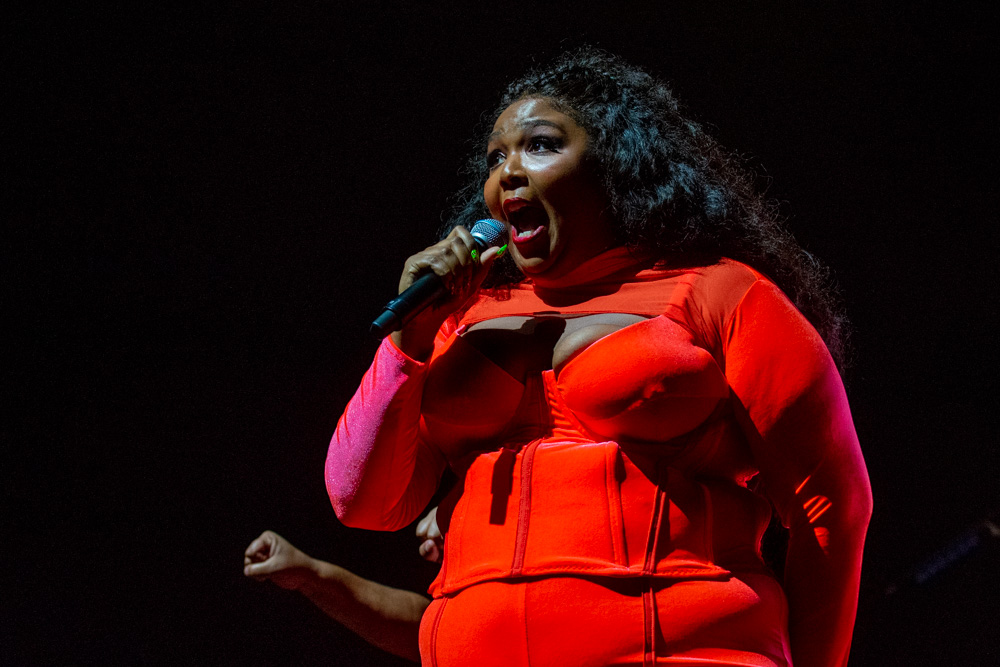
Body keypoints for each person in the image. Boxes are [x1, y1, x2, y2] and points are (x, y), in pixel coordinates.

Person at [325, 48, 872, 667]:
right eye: (495, 158)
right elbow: (363, 502)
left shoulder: (720, 291)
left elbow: (833, 507)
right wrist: (408, 341)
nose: (507, 173)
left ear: (617, 164)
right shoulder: (460, 318)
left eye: (539, 146)